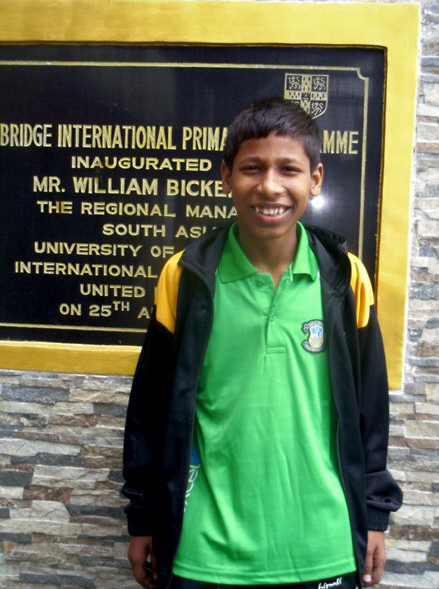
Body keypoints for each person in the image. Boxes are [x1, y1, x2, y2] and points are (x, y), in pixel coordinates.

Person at [122, 98, 402, 589]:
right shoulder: (186, 277)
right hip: (204, 548)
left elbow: (369, 412)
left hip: (324, 542)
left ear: (315, 179)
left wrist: (374, 513)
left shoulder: (344, 278)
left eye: (288, 169)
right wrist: (143, 517)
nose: (270, 186)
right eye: (252, 168)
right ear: (226, 176)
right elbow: (150, 408)